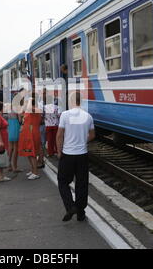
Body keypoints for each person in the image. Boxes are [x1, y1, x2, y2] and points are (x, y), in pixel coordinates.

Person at [56, 92, 95, 222]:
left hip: (68, 155)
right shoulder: (88, 116)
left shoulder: (65, 115)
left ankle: (70, 206)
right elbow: (92, 135)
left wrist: (59, 151)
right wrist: (83, 141)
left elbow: (59, 135)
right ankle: (81, 213)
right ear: (81, 101)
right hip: (82, 155)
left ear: (71, 101)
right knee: (82, 184)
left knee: (63, 182)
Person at [18, 99, 42, 180]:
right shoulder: (28, 111)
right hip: (27, 133)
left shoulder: (36, 110)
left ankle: (35, 172)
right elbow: (21, 116)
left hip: (32, 133)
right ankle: (32, 170)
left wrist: (29, 101)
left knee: (32, 153)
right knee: (28, 153)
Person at [7, 99, 22, 173]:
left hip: (10, 125)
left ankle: (9, 164)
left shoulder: (9, 107)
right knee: (16, 147)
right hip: (15, 125)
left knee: (10, 147)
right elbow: (19, 120)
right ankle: (14, 166)